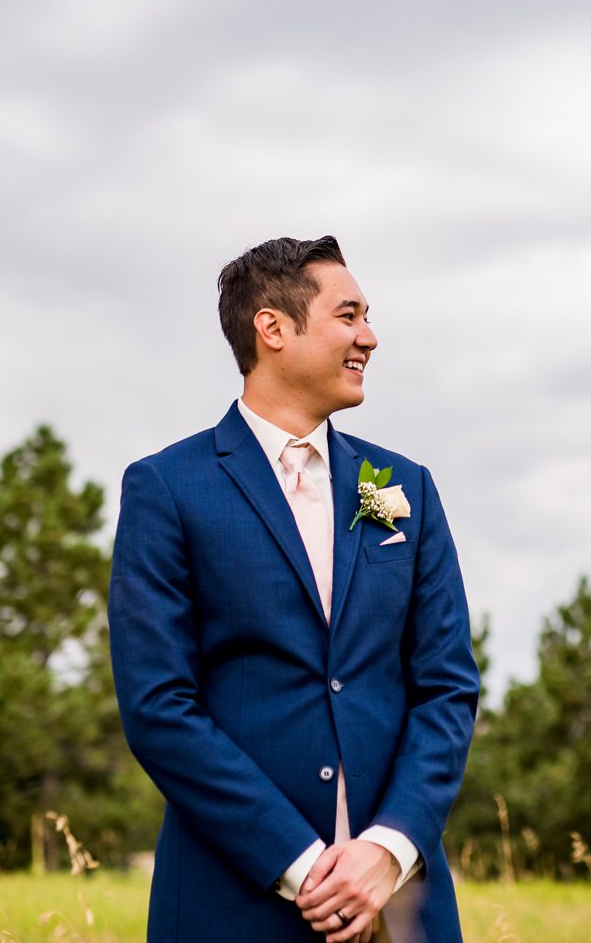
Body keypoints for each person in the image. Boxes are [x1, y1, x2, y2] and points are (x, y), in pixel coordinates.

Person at [110, 238, 478, 943]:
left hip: (401, 909)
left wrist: (390, 849)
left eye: (367, 317)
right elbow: (159, 706)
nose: (368, 336)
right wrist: (302, 865)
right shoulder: (167, 488)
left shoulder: (404, 488)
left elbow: (447, 687)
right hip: (232, 902)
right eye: (348, 315)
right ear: (272, 329)